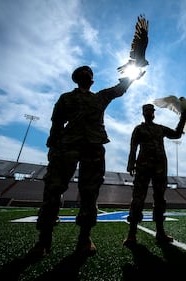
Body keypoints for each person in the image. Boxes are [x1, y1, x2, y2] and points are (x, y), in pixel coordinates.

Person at [28, 65, 143, 258]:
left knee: (90, 193)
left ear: (92, 80)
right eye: (83, 73)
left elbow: (119, 89)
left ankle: (84, 238)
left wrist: (134, 75)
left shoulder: (99, 98)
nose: (86, 74)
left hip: (93, 147)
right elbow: (56, 124)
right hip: (67, 146)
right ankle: (44, 240)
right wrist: (53, 147)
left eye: (89, 73)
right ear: (77, 79)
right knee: (53, 189)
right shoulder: (66, 98)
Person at [123, 104, 186, 247]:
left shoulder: (160, 128)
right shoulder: (139, 129)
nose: (149, 112)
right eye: (146, 110)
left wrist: (183, 118)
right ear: (143, 113)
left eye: (151, 110)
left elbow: (177, 134)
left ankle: (160, 232)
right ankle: (132, 234)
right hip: (143, 166)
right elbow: (133, 146)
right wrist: (131, 163)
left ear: (154, 113)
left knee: (160, 199)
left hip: (160, 167)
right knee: (138, 198)